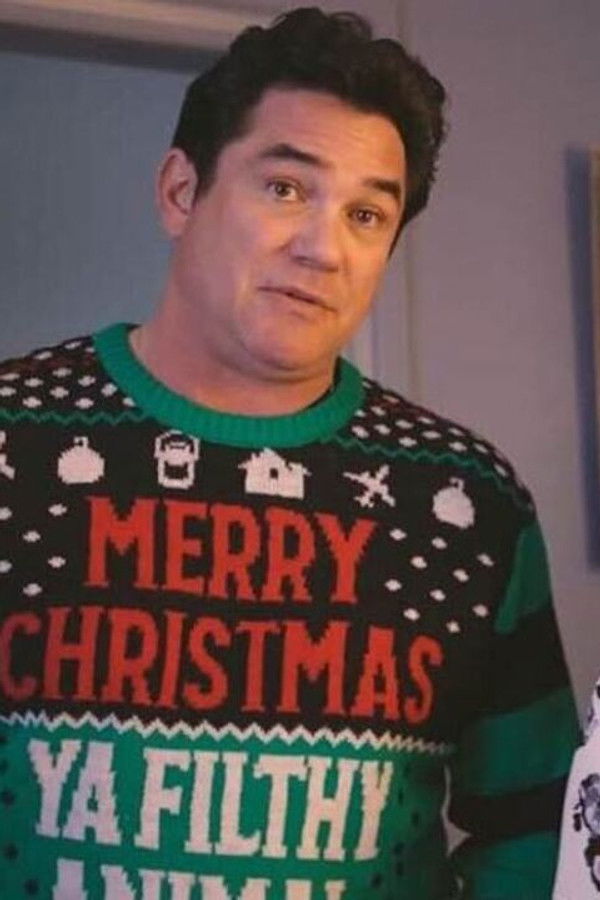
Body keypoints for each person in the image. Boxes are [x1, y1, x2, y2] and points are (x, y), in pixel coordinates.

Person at [0, 7, 579, 899]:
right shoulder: (17, 438)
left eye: (366, 213)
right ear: (181, 192)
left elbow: (538, 825)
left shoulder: (467, 502)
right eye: (284, 188)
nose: (322, 248)